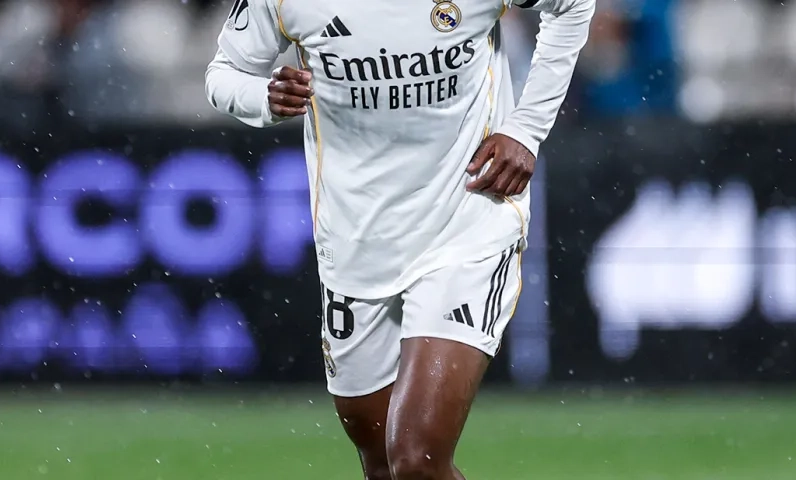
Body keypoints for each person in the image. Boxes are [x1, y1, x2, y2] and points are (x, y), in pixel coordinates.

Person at [205, 0, 593, 478]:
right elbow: (224, 74)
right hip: (355, 241)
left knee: (416, 458)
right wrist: (263, 96)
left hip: (465, 221)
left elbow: (572, 5)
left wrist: (527, 128)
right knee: (382, 464)